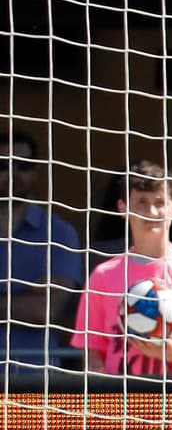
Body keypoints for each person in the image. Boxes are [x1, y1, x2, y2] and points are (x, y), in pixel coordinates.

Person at [71, 160, 172, 376]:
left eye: (160, 203)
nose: (151, 212)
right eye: (141, 202)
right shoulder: (102, 276)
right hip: (122, 395)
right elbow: (93, 351)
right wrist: (96, 372)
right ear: (122, 208)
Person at [0, 130, 84, 369]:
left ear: (35, 172)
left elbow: (45, 310)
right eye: (3, 166)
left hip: (35, 376)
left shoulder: (59, 233)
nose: (13, 175)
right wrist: (24, 297)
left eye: (23, 166)